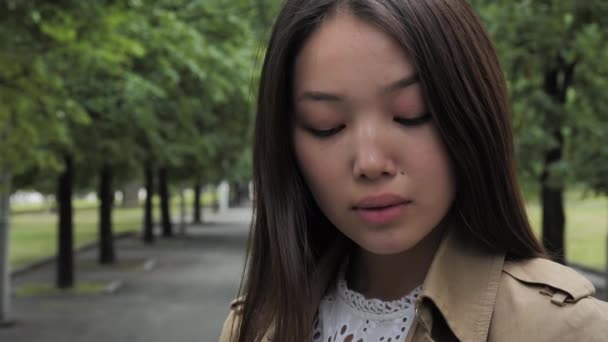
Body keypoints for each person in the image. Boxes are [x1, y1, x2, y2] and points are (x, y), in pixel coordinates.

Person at [219, 0, 608, 341]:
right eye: (327, 124)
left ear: (471, 115)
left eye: (411, 113)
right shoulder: (254, 327)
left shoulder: (567, 329)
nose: (370, 163)